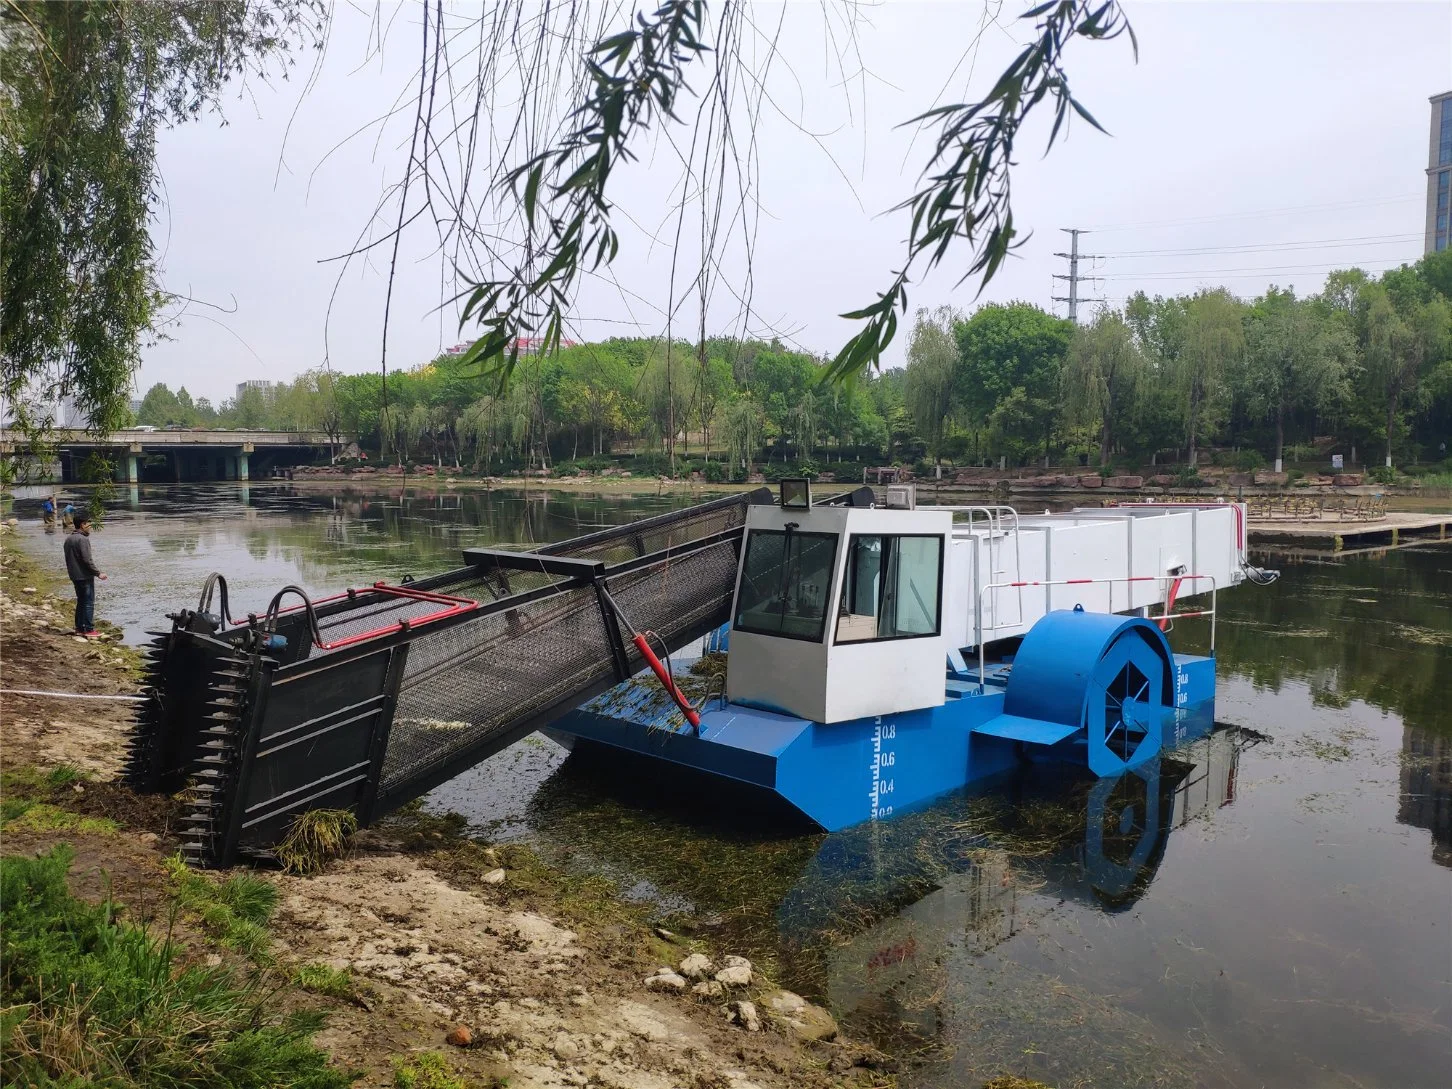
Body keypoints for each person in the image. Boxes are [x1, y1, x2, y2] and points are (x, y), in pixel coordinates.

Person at [62, 510, 107, 637]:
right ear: (82, 525)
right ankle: (88, 629)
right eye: (89, 524)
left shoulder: (69, 539)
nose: (90, 527)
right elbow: (87, 560)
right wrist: (98, 573)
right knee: (88, 602)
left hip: (74, 575)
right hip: (84, 576)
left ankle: (79, 627)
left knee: (81, 601)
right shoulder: (82, 540)